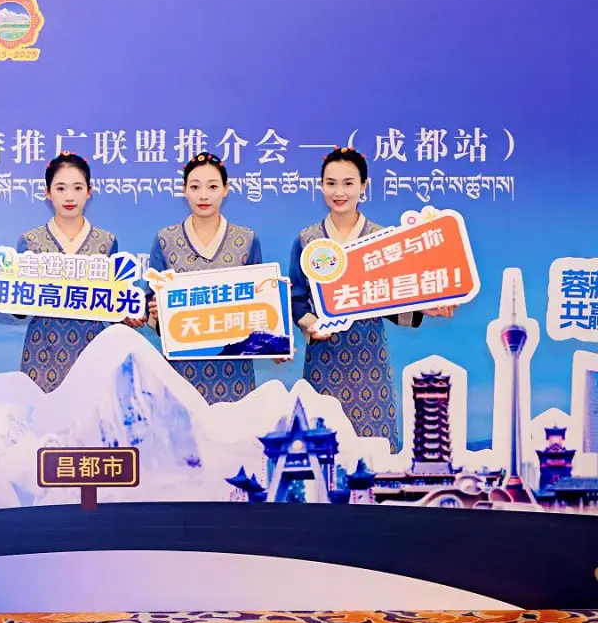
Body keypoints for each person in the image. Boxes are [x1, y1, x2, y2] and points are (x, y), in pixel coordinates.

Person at [288, 146, 453, 451]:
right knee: (320, 449)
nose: (339, 192)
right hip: (324, 359)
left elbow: (391, 298)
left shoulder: (382, 238)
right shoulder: (307, 240)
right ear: (320, 186)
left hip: (371, 362)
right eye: (331, 183)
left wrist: (424, 307)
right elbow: (297, 297)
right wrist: (310, 325)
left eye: (348, 183)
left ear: (364, 187)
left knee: (375, 450)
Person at [146, 152, 263, 403]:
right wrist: (156, 310)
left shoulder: (246, 239)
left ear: (225, 189)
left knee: (234, 425)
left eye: (212, 187)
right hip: (181, 366)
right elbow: (150, 299)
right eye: (195, 187)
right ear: (184, 190)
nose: (203, 195)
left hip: (234, 371)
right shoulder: (166, 239)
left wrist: (272, 340)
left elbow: (262, 299)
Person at [11, 152, 121, 393]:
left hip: (92, 348)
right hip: (42, 351)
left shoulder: (106, 242)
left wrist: (130, 314)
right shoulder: (31, 241)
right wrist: (3, 276)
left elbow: (114, 305)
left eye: (77, 188)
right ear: (47, 192)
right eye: (60, 188)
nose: (69, 197)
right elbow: (19, 310)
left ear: (89, 192)